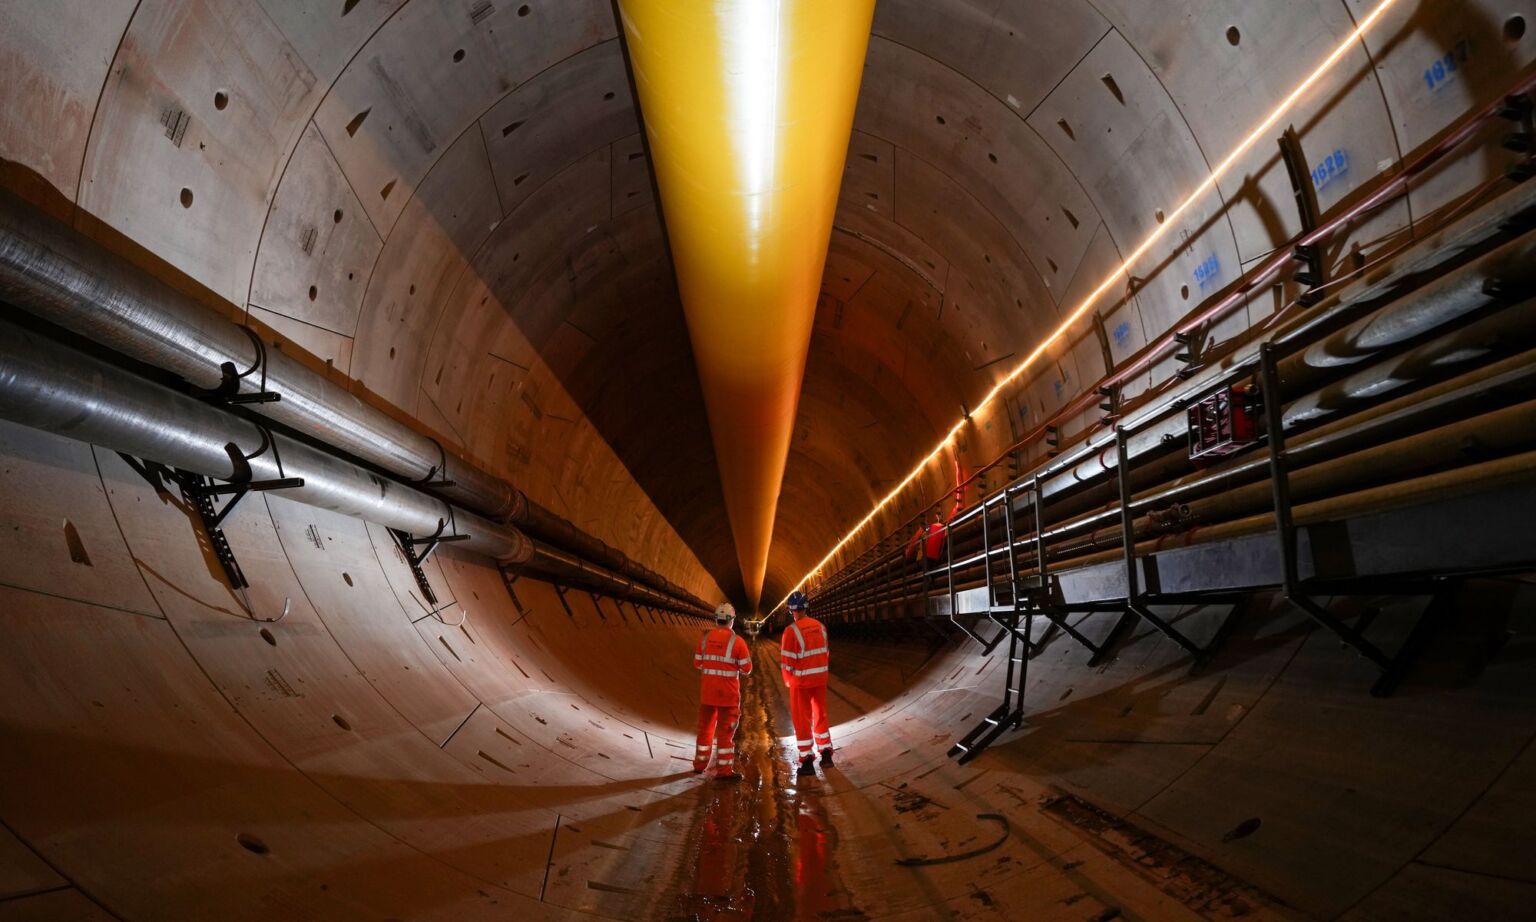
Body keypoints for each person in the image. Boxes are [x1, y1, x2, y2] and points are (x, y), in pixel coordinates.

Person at [693, 602, 752, 780]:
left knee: (705, 730)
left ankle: (699, 765)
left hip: (708, 694)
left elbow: (697, 663)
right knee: (726, 733)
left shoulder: (704, 639)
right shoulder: (738, 642)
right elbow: (747, 668)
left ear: (716, 619)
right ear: (731, 621)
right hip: (728, 696)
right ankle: (724, 771)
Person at [780, 590, 832, 777]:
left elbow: (787, 662)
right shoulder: (820, 627)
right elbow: (825, 653)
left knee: (802, 720)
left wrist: (788, 681)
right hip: (819, 680)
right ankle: (826, 755)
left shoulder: (791, 632)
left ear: (791, 610)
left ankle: (807, 762)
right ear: (806, 606)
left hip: (801, 682)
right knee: (820, 714)